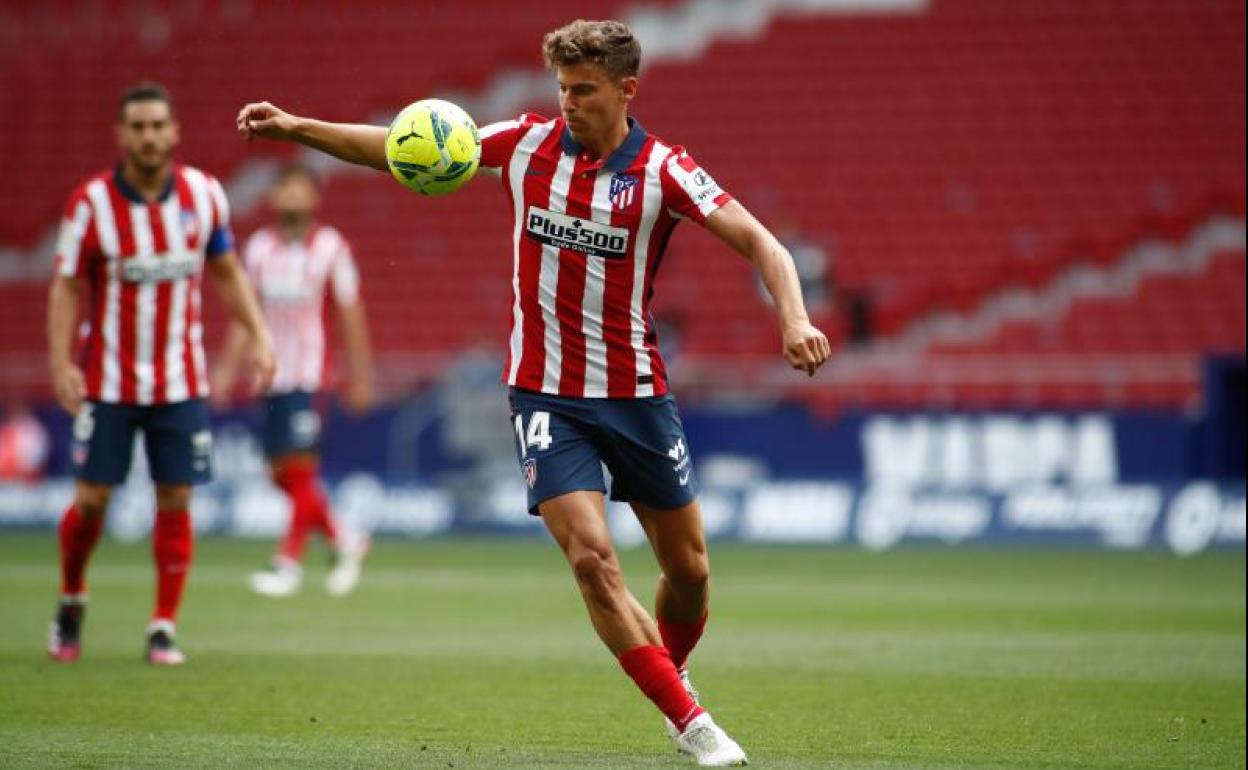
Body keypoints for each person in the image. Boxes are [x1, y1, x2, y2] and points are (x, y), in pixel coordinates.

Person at [236, 18, 830, 767]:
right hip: (544, 394)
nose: (569, 103)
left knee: (690, 572)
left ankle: (669, 667)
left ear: (626, 89)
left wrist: (795, 317)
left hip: (636, 391)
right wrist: (297, 127)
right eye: (562, 89)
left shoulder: (665, 170)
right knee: (592, 559)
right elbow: (394, 151)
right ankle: (689, 720)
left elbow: (763, 244)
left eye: (584, 91)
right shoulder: (524, 143)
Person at [47, 82, 274, 666]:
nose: (149, 136)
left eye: (157, 126)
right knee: (93, 499)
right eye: (138, 127)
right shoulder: (91, 203)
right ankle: (72, 599)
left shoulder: (204, 195)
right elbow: (68, 285)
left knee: (175, 497)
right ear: (122, 135)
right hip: (109, 382)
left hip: (181, 380)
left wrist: (258, 333)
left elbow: (225, 271)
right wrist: (59, 360)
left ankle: (162, 626)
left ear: (174, 132)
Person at [211, 163, 374, 598]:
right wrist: (228, 369)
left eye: (300, 189)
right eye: (284, 187)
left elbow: (350, 313)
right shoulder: (260, 248)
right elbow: (246, 316)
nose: (291, 196)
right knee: (279, 474)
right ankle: (344, 538)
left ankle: (287, 562)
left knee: (300, 469)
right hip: (270, 376)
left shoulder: (330, 247)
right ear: (273, 196)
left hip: (310, 375)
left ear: (314, 199)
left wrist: (359, 377)